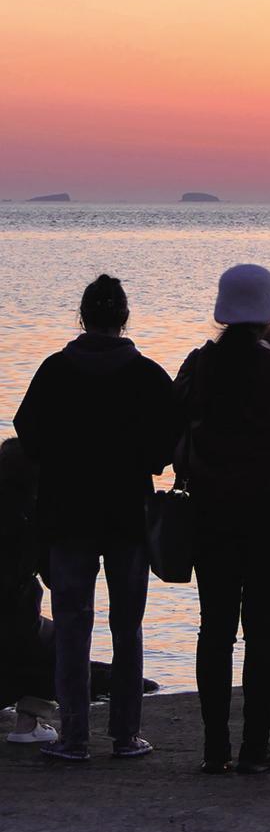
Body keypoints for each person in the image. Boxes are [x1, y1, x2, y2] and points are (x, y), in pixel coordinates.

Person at [13, 275, 174, 761]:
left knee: (71, 625)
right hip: (126, 513)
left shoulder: (54, 371)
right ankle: (125, 736)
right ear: (124, 318)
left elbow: (28, 436)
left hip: (66, 514)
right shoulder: (146, 374)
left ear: (82, 317)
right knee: (128, 627)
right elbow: (166, 443)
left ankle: (74, 736)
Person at [174, 264, 270, 775]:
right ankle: (255, 747)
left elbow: (174, 416)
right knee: (264, 627)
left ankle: (214, 748)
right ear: (269, 315)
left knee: (214, 627)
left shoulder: (199, 364)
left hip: (210, 507)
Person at [1, 437, 57, 745]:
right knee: (59, 637)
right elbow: (53, 580)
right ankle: (27, 723)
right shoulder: (30, 521)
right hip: (13, 638)